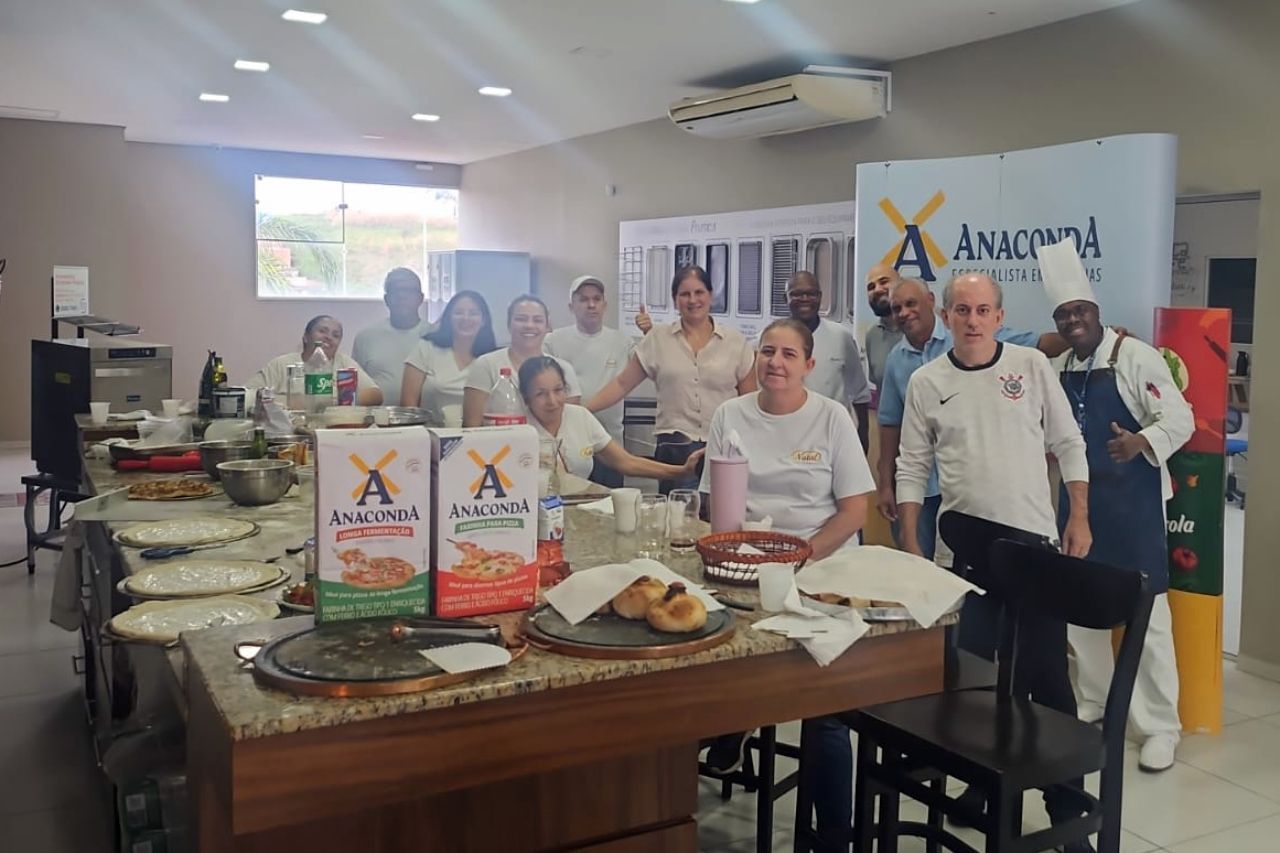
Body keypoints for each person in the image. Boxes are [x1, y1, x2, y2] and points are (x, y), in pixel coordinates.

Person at [895, 273, 1093, 852]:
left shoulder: (1030, 368)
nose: (973, 320)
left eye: (983, 310)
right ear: (947, 315)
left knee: (1046, 681)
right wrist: (910, 540)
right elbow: (911, 465)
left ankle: (1065, 803)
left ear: (1000, 317)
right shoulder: (927, 381)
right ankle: (982, 783)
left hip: (1032, 549)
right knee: (973, 678)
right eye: (962, 310)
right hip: (964, 555)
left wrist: (1077, 515)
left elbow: (1069, 444)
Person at [696, 318, 875, 847]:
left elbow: (854, 510)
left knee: (825, 709)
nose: (775, 362)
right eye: (767, 352)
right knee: (712, 659)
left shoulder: (832, 418)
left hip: (821, 566)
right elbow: (714, 505)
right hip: (743, 564)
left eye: (788, 355)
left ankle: (833, 835)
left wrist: (801, 556)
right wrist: (743, 556)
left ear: (809, 366)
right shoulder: (731, 414)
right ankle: (732, 724)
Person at [1039, 238, 1193, 773]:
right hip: (1078, 507)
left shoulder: (1135, 356)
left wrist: (1139, 443)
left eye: (1079, 311)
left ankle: (1159, 726)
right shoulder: (1056, 368)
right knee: (1081, 614)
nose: (1073, 320)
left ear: (1097, 313)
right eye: (1064, 315)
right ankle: (1096, 704)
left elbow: (1181, 418)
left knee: (1147, 618)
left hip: (1133, 507)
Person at [876, 277, 1065, 559]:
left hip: (1001, 507)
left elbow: (1042, 343)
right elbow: (891, 424)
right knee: (931, 573)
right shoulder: (900, 361)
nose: (904, 312)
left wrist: (1098, 334)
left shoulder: (1003, 348)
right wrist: (885, 483)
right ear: (948, 314)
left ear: (931, 304)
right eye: (897, 307)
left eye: (911, 303)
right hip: (929, 491)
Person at [587, 266, 755, 494]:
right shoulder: (658, 339)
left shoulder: (736, 343)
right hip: (675, 448)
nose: (692, 300)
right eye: (684, 294)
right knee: (678, 519)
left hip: (723, 447)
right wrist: (581, 410)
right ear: (675, 300)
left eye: (699, 292)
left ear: (710, 294)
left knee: (722, 516)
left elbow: (749, 401)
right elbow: (621, 384)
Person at [517, 357, 702, 484]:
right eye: (541, 393)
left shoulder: (580, 416)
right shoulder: (518, 429)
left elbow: (625, 462)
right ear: (526, 398)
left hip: (579, 510)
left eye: (558, 390)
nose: (552, 401)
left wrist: (681, 471)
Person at [544, 276, 636, 488]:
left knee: (610, 506)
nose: (591, 305)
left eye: (596, 299)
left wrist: (649, 332)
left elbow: (652, 364)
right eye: (583, 299)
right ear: (571, 306)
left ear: (605, 305)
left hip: (609, 442)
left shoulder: (622, 341)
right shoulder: (553, 341)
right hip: (567, 444)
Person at [462, 295, 582, 426]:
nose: (529, 325)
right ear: (509, 325)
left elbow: (571, 426)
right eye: (521, 319)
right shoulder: (485, 365)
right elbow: (471, 427)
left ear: (547, 327)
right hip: (499, 445)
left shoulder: (564, 369)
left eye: (537, 320)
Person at [784, 270, 872, 449]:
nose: (805, 299)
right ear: (785, 297)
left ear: (820, 296)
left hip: (833, 438)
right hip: (785, 435)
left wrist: (862, 440)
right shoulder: (771, 339)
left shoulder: (841, 337)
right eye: (797, 294)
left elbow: (860, 394)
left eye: (811, 293)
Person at [400, 291, 497, 428]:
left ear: (483, 321)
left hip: (478, 438)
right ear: (449, 318)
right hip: (429, 436)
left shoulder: (492, 358)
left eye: (473, 313)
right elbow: (408, 406)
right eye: (458, 312)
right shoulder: (426, 348)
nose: (465, 318)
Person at [246, 314, 382, 405]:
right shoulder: (282, 364)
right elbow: (248, 395)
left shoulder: (344, 363)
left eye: (336, 335)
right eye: (322, 331)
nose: (329, 337)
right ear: (306, 336)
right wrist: (286, 401)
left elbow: (376, 395)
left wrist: (341, 401)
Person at [350, 267, 430, 401]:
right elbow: (354, 387)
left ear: (420, 298)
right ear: (386, 299)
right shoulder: (366, 337)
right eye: (396, 291)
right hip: (377, 419)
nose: (402, 296)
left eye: (409, 291)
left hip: (427, 419)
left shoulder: (436, 336)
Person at [862, 263, 904, 391]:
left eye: (884, 282)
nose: (878, 289)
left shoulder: (924, 328)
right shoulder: (872, 336)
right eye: (871, 287)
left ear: (902, 285)